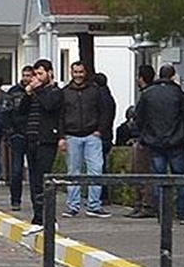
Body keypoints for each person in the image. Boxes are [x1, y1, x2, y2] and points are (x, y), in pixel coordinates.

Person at [135, 64, 184, 225]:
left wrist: (145, 135)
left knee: (159, 179)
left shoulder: (148, 94)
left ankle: (162, 215)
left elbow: (139, 117)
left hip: (155, 142)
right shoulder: (179, 94)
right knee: (181, 178)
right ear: (173, 76)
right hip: (176, 142)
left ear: (158, 75)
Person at [59, 61, 113, 218]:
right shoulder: (64, 92)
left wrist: (100, 130)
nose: (78, 75)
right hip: (72, 135)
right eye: (75, 72)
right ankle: (73, 206)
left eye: (80, 72)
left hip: (92, 136)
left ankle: (94, 205)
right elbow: (60, 116)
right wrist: (61, 137)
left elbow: (105, 111)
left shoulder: (95, 91)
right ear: (71, 73)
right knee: (73, 172)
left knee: (96, 170)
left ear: (85, 73)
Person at [21, 59, 64, 232]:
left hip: (46, 140)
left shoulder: (54, 92)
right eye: (35, 74)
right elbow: (22, 111)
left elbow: (49, 106)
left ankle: (48, 218)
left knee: (43, 179)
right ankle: (38, 217)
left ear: (49, 73)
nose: (37, 77)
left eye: (40, 74)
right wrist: (27, 94)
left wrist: (37, 90)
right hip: (31, 139)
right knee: (34, 181)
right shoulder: (34, 94)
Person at [124, 66, 156, 219]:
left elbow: (140, 118)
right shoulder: (152, 93)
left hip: (145, 140)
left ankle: (144, 205)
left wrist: (139, 135)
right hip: (153, 138)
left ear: (141, 78)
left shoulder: (146, 95)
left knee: (141, 173)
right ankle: (142, 204)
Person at [3, 65, 34, 210]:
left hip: (33, 134)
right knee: (16, 170)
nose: (26, 78)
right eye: (24, 75)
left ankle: (37, 201)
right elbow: (6, 112)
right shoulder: (13, 92)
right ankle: (15, 200)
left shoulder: (37, 91)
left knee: (34, 171)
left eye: (29, 76)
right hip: (17, 134)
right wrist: (10, 132)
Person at [93, 72, 117, 205]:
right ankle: (103, 195)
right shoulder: (109, 97)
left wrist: (98, 130)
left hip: (100, 136)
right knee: (102, 166)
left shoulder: (99, 97)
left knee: (98, 167)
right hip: (107, 135)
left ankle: (101, 195)